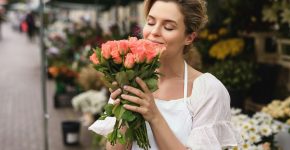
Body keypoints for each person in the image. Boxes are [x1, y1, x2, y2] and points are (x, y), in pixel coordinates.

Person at [92, 0, 243, 149]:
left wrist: (154, 116)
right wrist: (123, 112)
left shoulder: (208, 90)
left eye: (168, 27)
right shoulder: (130, 77)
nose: (154, 32)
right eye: (150, 23)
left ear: (189, 37)